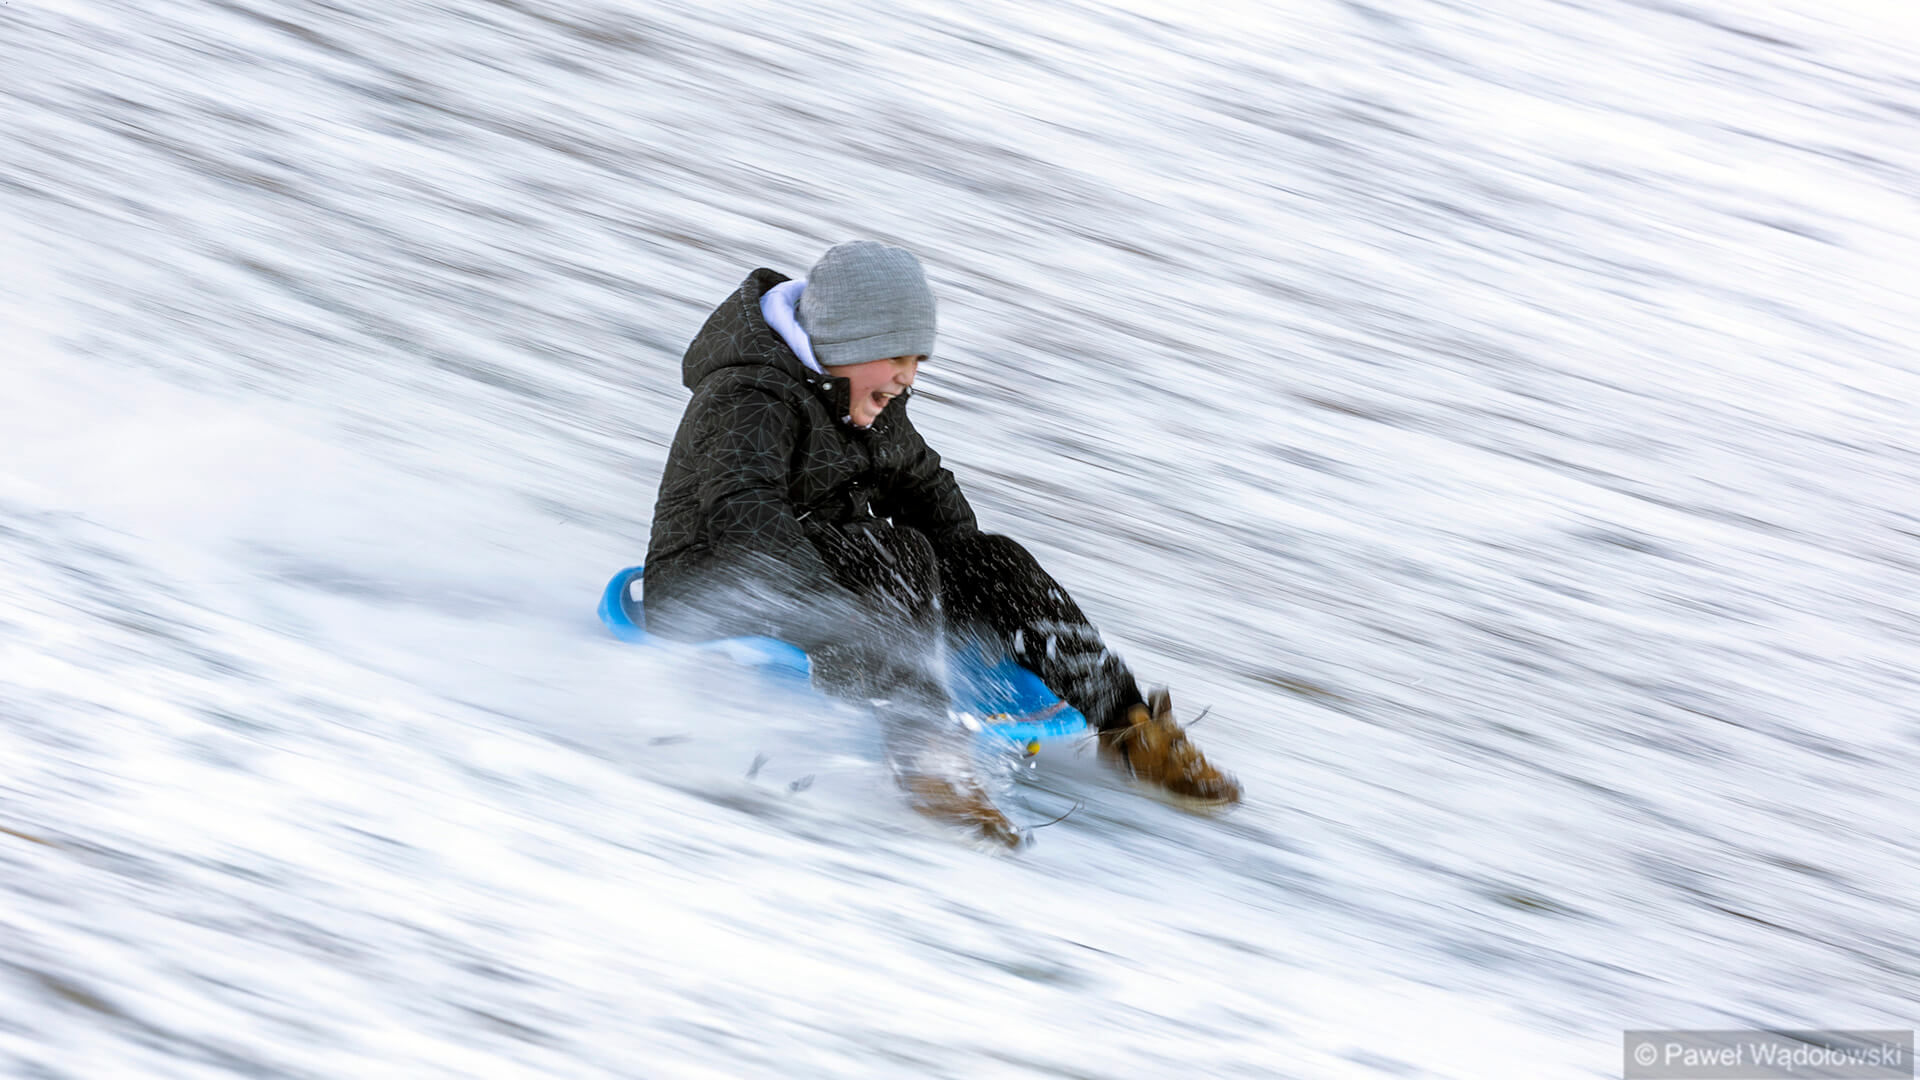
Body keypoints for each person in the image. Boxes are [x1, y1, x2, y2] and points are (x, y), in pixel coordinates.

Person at [643, 240, 1239, 847]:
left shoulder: (857, 396)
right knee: (897, 554)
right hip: (715, 580)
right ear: (846, 344)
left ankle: (1127, 723)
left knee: (989, 556)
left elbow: (923, 483)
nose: (908, 376)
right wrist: (834, 611)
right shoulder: (749, 398)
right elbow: (746, 515)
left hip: (831, 574)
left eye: (918, 360)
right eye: (896, 357)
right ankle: (926, 748)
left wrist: (984, 587)